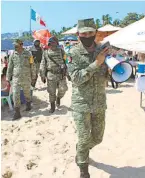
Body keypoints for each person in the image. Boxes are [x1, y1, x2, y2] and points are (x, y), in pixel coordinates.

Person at [68, 18, 109, 178]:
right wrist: (96, 64)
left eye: (90, 33)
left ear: (95, 33)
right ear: (78, 34)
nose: (87, 36)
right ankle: (83, 169)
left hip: (99, 102)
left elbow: (106, 73)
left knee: (97, 138)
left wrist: (110, 69)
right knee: (84, 138)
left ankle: (81, 150)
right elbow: (76, 78)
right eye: (84, 33)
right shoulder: (73, 52)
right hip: (81, 103)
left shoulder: (102, 50)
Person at [6, 39, 36, 120]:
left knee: (27, 93)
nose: (15, 47)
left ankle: (28, 104)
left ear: (21, 45)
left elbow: (32, 65)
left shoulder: (28, 53)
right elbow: (10, 67)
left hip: (26, 77)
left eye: (16, 45)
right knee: (15, 94)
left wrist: (34, 76)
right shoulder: (13, 54)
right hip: (16, 78)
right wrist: (8, 78)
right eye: (14, 46)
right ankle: (17, 112)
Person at [40, 36, 70, 113]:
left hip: (61, 74)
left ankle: (59, 97)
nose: (51, 44)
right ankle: (52, 106)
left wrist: (68, 73)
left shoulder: (61, 51)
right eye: (50, 42)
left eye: (53, 42)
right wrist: (42, 75)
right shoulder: (46, 52)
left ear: (57, 43)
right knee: (51, 91)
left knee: (64, 89)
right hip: (51, 74)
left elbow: (65, 62)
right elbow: (43, 64)